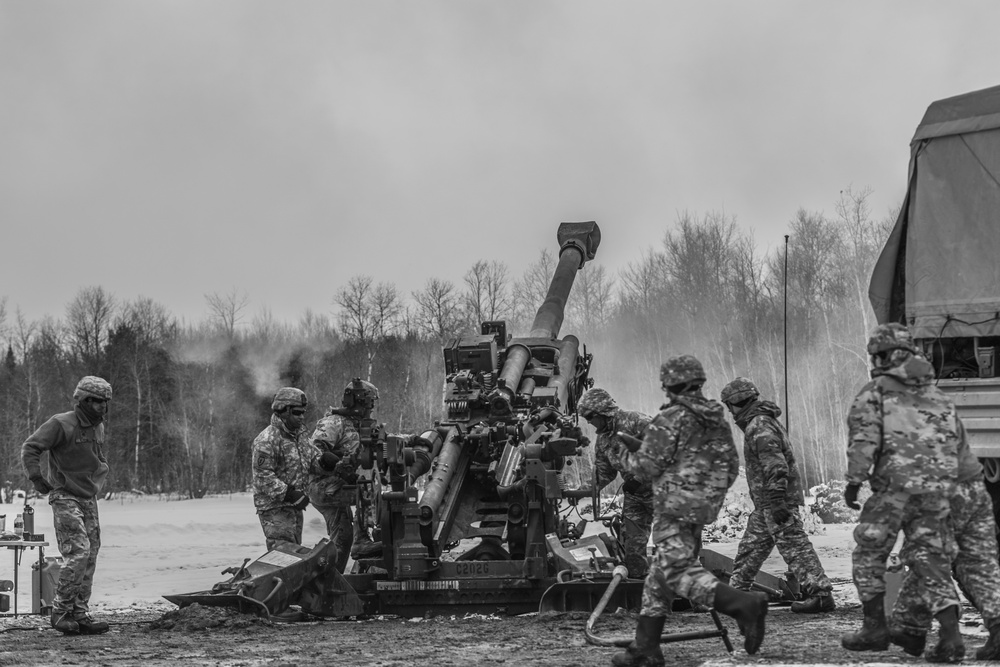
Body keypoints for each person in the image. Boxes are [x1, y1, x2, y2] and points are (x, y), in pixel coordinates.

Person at [613, 355, 768, 666]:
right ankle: (646, 648)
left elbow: (646, 467)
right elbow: (729, 468)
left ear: (670, 385)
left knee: (676, 573)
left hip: (673, 508)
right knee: (659, 578)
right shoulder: (715, 419)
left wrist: (628, 455)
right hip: (699, 510)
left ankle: (743, 605)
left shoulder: (670, 420)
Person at [841, 323, 963, 660]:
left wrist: (854, 480)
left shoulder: (876, 391)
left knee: (868, 554)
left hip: (892, 491)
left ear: (883, 355)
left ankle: (874, 627)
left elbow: (864, 439)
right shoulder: (937, 394)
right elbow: (953, 443)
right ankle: (951, 637)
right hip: (935, 492)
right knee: (931, 560)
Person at [720, 377, 835, 613]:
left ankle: (821, 595)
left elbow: (776, 464)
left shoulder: (759, 425)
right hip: (767, 505)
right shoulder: (760, 422)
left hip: (775, 502)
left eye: (729, 405)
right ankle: (736, 596)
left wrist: (776, 499)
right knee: (750, 549)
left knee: (794, 546)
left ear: (736, 402)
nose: (729, 412)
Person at [888, 417, 1000, 660]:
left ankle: (945, 639)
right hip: (971, 487)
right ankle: (910, 627)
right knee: (977, 562)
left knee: (927, 558)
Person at [21, 376, 113, 635]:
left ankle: (80, 613)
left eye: (106, 402)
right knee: (78, 552)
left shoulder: (98, 426)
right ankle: (60, 612)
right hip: (64, 495)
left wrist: (101, 469)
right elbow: (31, 447)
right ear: (84, 400)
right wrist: (37, 477)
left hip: (88, 496)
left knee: (91, 553)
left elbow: (97, 454)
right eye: (98, 402)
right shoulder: (61, 423)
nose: (103, 407)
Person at [577, 387, 653, 579]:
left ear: (601, 413)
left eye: (589, 416)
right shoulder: (603, 439)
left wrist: (640, 477)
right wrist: (582, 491)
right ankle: (639, 594)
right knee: (633, 549)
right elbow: (604, 472)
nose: (588, 422)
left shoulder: (637, 422)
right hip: (636, 496)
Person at [306, 379, 381, 573]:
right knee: (366, 485)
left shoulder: (361, 425)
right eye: (368, 402)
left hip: (339, 486)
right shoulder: (333, 423)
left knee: (342, 538)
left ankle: (331, 581)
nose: (371, 407)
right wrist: (339, 467)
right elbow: (313, 453)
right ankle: (362, 538)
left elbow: (382, 443)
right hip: (323, 485)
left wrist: (411, 440)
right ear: (356, 401)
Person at [252, 387, 338, 551]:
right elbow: (263, 477)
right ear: (283, 411)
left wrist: (325, 463)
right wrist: (289, 494)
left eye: (303, 412)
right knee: (283, 554)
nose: (302, 417)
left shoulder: (300, 438)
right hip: (274, 509)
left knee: (293, 556)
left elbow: (313, 462)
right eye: (297, 412)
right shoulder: (267, 439)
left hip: (294, 507)